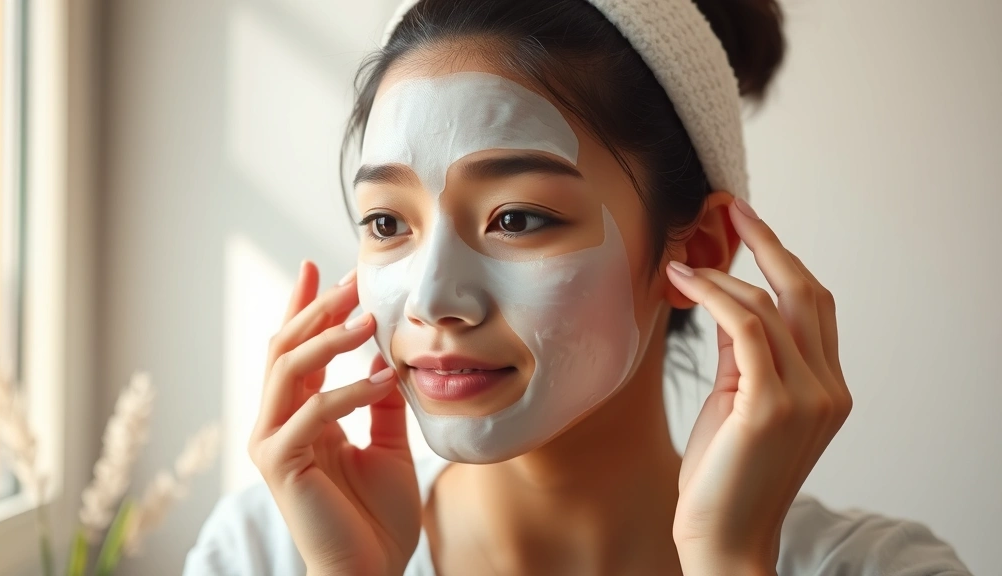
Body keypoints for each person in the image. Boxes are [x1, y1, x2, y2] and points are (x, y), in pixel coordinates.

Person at [184, 0, 973, 574]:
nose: (431, 301)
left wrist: (729, 562)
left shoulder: (877, 568)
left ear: (695, 251)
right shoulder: (271, 549)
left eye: (518, 219)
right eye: (388, 223)